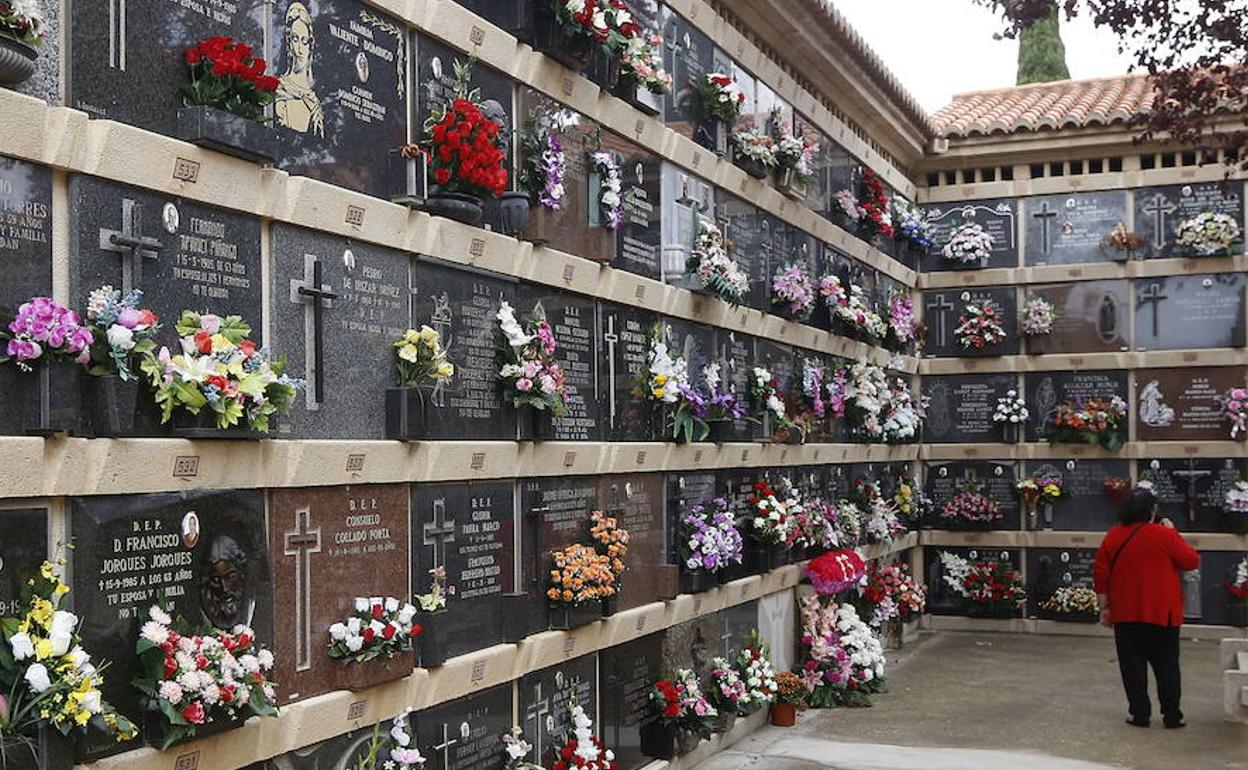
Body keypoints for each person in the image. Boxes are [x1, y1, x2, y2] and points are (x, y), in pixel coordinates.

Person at [1093, 487, 1199, 729]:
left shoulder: (1113, 535)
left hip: (1126, 612)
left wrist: (1105, 607)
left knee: (1132, 667)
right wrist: (1173, 533)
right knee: (1167, 665)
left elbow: (1101, 573)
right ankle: (1172, 715)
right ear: (1151, 511)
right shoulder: (1164, 535)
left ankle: (1139, 714)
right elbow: (1191, 561)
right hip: (1163, 613)